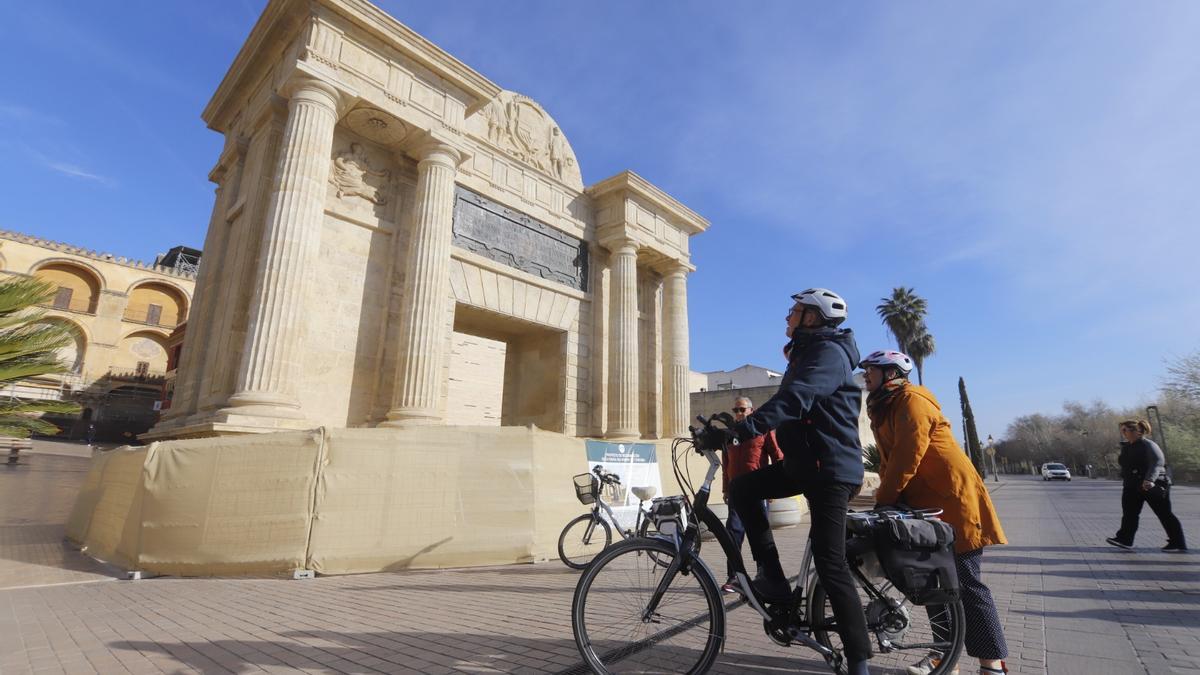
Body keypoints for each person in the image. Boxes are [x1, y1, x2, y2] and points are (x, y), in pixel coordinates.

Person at [699, 287, 873, 675]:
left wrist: (739, 433)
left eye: (794, 311)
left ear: (812, 317)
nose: (787, 317)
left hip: (829, 471)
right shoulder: (810, 352)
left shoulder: (828, 354)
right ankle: (774, 579)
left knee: (831, 565)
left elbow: (795, 399)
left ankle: (859, 662)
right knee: (744, 488)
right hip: (804, 464)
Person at [860, 350, 1009, 675]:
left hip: (954, 501)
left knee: (967, 584)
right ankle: (945, 658)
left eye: (870, 370)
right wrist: (886, 496)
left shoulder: (912, 399)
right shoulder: (884, 407)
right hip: (925, 507)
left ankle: (992, 664)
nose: (865, 376)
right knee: (934, 584)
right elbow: (888, 461)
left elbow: (906, 455)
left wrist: (884, 499)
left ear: (890, 373)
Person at [720, 396, 784, 593]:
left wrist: (774, 486)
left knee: (759, 533)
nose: (738, 414)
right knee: (733, 533)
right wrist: (725, 488)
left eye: (742, 410)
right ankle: (734, 577)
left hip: (757, 489)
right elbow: (726, 464)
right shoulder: (730, 434)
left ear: (751, 410)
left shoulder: (762, 429)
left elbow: (778, 457)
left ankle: (763, 573)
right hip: (736, 491)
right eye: (735, 410)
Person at [1106, 419, 1187, 552]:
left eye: (1125, 430)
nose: (1122, 433)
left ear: (1136, 431)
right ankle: (1125, 539)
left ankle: (1177, 542)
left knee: (1164, 514)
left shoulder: (1148, 445)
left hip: (1152, 485)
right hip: (1132, 485)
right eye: (1122, 430)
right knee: (1129, 514)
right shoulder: (1127, 446)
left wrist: (1150, 480)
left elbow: (1157, 462)